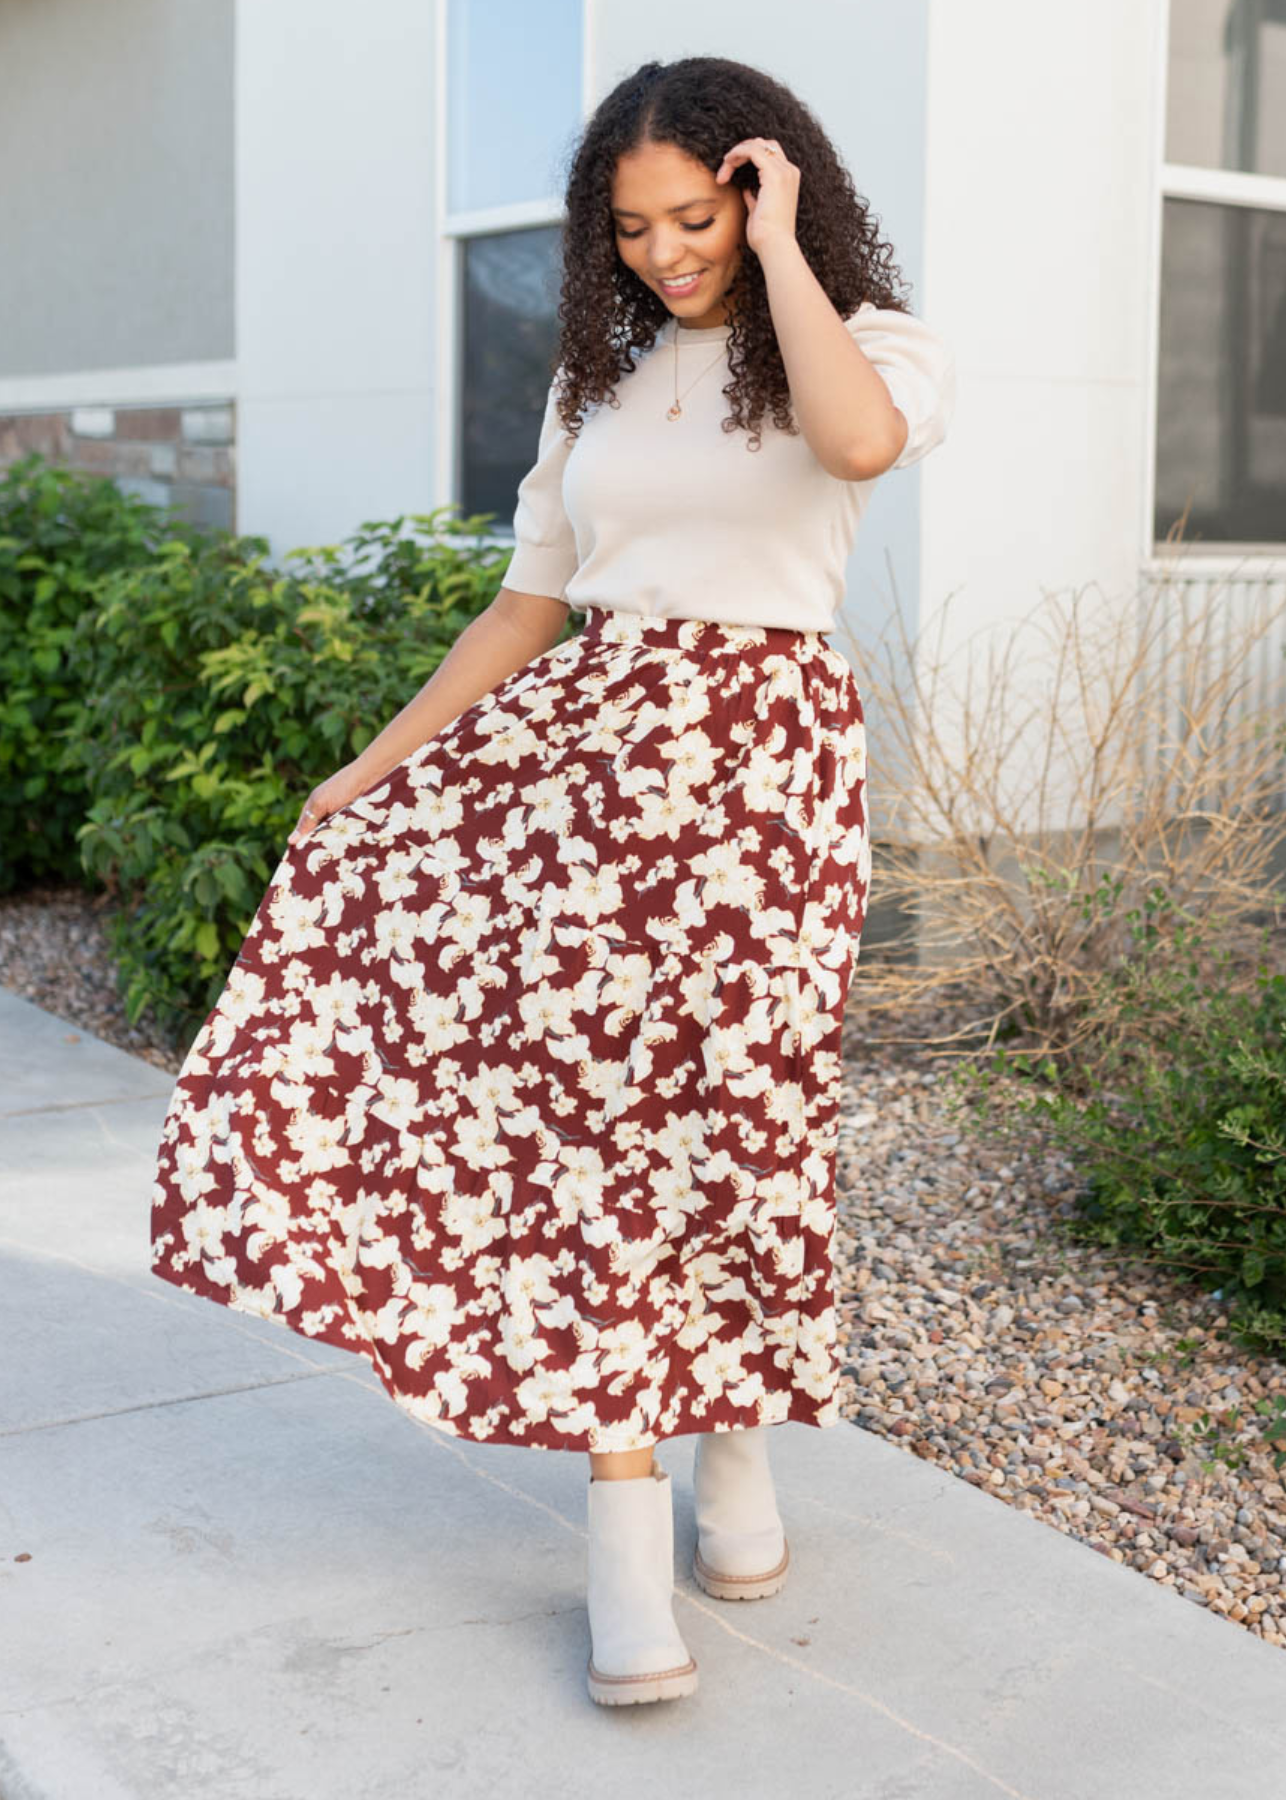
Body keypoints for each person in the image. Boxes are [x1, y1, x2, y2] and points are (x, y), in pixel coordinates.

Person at [149, 54, 955, 1710]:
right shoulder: (591, 379)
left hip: (764, 779)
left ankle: (737, 1441)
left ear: (759, 185)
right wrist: (367, 771)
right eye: (632, 226)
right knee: (585, 1133)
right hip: (583, 772)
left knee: (740, 1109)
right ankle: (620, 1515)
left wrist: (784, 245)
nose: (667, 251)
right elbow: (527, 605)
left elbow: (857, 443)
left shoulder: (856, 339)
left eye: (697, 214)